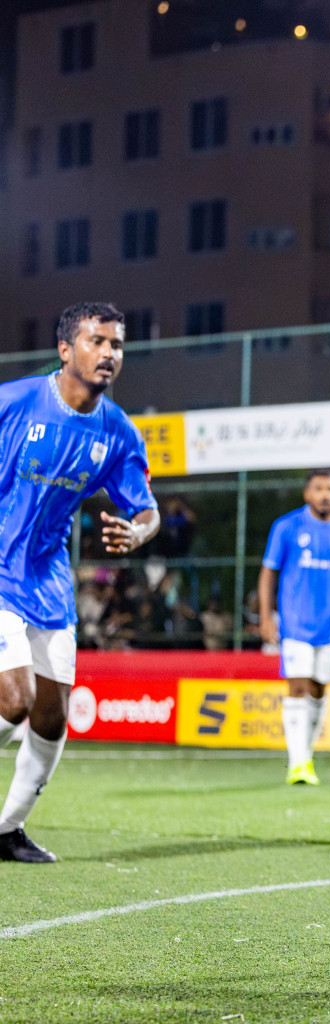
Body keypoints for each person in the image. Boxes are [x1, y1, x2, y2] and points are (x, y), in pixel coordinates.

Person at [0, 302, 160, 863]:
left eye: (117, 345)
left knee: (50, 713)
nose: (109, 354)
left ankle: (7, 829)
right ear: (66, 349)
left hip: (47, 581)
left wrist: (137, 534)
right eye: (97, 341)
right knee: (14, 701)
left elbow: (147, 510)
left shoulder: (117, 432)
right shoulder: (14, 402)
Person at [259, 470, 330, 786]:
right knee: (297, 687)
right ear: (307, 494)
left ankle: (305, 755)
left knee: (318, 688)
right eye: (319, 489)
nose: (325, 494)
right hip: (295, 623)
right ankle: (297, 763)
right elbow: (268, 572)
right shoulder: (286, 527)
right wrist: (266, 615)